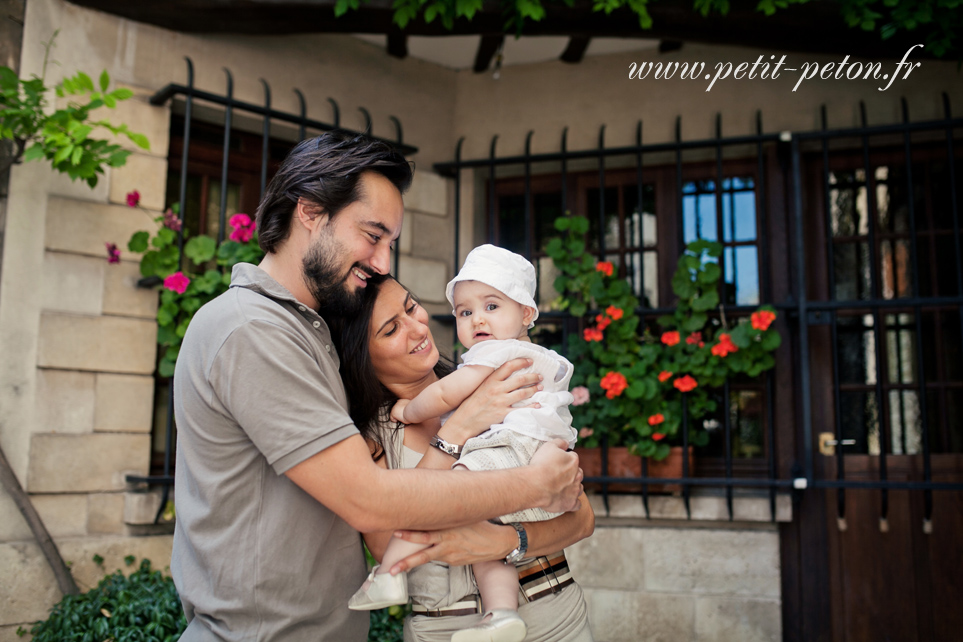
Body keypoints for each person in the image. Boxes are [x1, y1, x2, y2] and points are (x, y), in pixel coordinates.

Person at [170, 131, 584, 641]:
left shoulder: (307, 330)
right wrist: (533, 483)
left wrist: (510, 533)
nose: (384, 262)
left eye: (390, 243)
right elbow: (368, 502)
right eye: (373, 235)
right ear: (311, 211)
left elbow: (578, 514)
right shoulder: (253, 329)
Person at [330, 275, 595, 642]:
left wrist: (505, 542)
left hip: (554, 615)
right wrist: (459, 429)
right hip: (444, 628)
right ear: (361, 352)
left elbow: (581, 519)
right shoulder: (365, 438)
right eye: (392, 329)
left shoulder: (494, 378)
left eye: (411, 307)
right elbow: (386, 546)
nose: (417, 327)